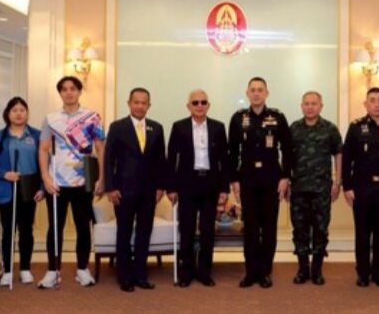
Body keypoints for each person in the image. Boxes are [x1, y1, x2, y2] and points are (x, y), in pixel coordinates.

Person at [38, 76, 105, 288]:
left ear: (79, 91)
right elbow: (43, 149)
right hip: (56, 183)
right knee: (54, 228)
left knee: (83, 227)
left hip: (83, 182)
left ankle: (82, 269)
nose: (69, 93)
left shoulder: (92, 117)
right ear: (60, 93)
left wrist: (102, 178)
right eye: (64, 89)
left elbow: (100, 148)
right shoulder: (51, 118)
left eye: (73, 89)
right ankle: (52, 270)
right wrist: (46, 178)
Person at [228, 77, 292, 288]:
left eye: (260, 90)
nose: (256, 93)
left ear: (266, 93)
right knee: (251, 227)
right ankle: (251, 271)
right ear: (247, 93)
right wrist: (234, 179)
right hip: (247, 179)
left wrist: (285, 177)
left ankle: (265, 271)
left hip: (271, 179)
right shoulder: (238, 118)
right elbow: (232, 152)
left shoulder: (278, 117)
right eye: (253, 90)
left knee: (269, 226)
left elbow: (287, 150)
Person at [104, 87, 166, 292]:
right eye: (136, 102)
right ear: (129, 103)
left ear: (149, 105)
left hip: (149, 191)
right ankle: (124, 277)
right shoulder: (117, 127)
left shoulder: (157, 128)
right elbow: (108, 159)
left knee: (144, 233)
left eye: (144, 102)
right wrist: (110, 188)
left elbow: (161, 160)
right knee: (124, 232)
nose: (140, 106)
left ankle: (140, 275)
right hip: (123, 190)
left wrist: (160, 186)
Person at [167, 89, 230, 287]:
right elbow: (171, 159)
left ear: (208, 105)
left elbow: (224, 161)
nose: (199, 106)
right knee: (186, 230)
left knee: (207, 231)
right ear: (189, 106)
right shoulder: (179, 127)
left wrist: (224, 189)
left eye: (203, 102)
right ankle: (186, 272)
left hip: (210, 184)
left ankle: (204, 272)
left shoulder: (218, 127)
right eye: (195, 103)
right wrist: (171, 188)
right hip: (187, 184)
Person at [342, 87, 379, 288]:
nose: (376, 104)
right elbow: (347, 159)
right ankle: (362, 273)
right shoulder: (356, 127)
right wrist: (347, 187)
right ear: (365, 104)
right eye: (372, 100)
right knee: (362, 233)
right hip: (361, 187)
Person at [0, 97, 43, 286]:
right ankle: (8, 270)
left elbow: (46, 163)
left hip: (29, 188)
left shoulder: (37, 135)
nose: (18, 114)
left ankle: (25, 269)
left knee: (26, 230)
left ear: (27, 113)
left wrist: (42, 188)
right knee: (8, 230)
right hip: (7, 188)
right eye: (14, 110)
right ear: (8, 114)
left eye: (22, 110)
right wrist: (4, 174)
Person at [289, 91, 342, 286]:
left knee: (320, 230)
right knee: (300, 230)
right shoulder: (294, 128)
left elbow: (338, 154)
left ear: (321, 106)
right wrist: (286, 181)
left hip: (322, 189)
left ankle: (317, 270)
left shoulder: (330, 128)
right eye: (307, 103)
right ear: (301, 106)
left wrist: (338, 181)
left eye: (314, 103)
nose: (310, 107)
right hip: (299, 189)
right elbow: (287, 157)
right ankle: (303, 269)